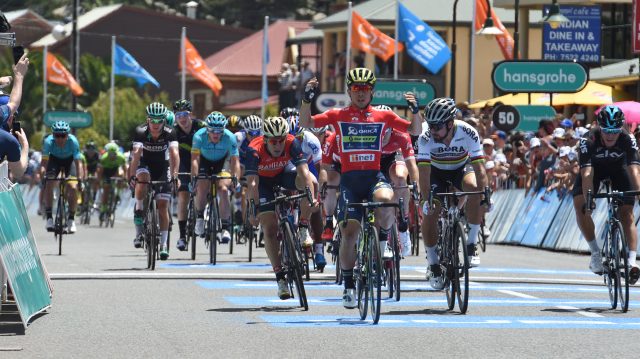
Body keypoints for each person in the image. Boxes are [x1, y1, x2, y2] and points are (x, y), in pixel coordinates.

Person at [299, 68, 421, 308]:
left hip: (374, 176)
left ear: (372, 92)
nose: (361, 93)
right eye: (357, 89)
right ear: (349, 91)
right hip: (350, 181)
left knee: (387, 200)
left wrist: (416, 112)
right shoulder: (338, 114)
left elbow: (414, 130)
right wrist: (306, 101)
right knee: (350, 233)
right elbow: (307, 122)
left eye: (366, 89)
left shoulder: (383, 116)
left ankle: (383, 244)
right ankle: (348, 285)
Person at [416, 98, 489, 290]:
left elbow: (479, 168)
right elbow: (423, 173)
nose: (433, 131)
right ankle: (433, 264)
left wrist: (485, 194)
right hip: (435, 172)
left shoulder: (468, 132)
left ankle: (472, 244)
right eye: (430, 126)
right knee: (431, 211)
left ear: (450, 123)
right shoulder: (425, 137)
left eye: (437, 127)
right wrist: (426, 200)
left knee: (474, 188)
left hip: (460, 168)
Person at [245, 116, 318, 300]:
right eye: (273, 141)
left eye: (281, 140)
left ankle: (302, 227)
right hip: (263, 183)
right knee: (269, 229)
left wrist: (311, 198)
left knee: (310, 182)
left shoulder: (292, 143)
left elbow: (304, 172)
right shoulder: (254, 149)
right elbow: (252, 184)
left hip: (283, 174)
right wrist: (253, 210)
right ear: (266, 139)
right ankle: (280, 278)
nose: (278, 145)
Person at [573, 105, 640, 283]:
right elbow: (587, 174)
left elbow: (634, 170)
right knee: (581, 206)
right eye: (606, 131)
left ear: (621, 128)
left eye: (615, 131)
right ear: (599, 127)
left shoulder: (628, 138)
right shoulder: (588, 140)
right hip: (594, 171)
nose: (610, 135)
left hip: (619, 170)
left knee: (627, 214)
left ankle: (632, 262)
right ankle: (595, 253)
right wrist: (588, 199)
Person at [129, 102, 179, 260]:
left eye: (159, 121)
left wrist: (175, 175)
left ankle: (163, 244)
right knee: (142, 180)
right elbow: (136, 155)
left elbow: (174, 154)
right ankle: (139, 209)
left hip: (162, 167)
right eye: (153, 120)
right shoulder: (140, 131)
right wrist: (131, 175)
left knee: (163, 206)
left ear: (164, 120)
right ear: (147, 119)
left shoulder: (170, 132)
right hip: (145, 164)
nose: (156, 124)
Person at [191, 111, 241, 244]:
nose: (215, 134)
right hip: (204, 162)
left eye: (219, 131)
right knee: (202, 185)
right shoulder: (198, 136)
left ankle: (225, 227)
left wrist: (235, 178)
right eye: (212, 130)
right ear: (207, 129)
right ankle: (200, 217)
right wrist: (194, 177)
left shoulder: (230, 137)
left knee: (224, 190)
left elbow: (235, 161)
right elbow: (195, 160)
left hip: (222, 162)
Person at [286, 114, 325, 269]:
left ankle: (319, 249)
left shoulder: (311, 140)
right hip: (289, 168)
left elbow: (321, 167)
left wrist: (321, 190)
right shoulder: (283, 142)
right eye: (292, 137)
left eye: (299, 137)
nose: (296, 141)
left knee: (314, 204)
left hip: (308, 168)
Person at [172, 99, 205, 251]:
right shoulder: (173, 131)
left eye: (184, 114)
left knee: (201, 187)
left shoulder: (201, 126)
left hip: (201, 160)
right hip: (183, 163)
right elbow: (171, 155)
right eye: (178, 115)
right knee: (183, 195)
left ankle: (201, 216)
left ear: (190, 115)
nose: (182, 118)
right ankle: (182, 236)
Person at [41, 121, 84, 233]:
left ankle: (71, 219)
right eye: (57, 136)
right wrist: (43, 176)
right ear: (53, 135)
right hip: (54, 161)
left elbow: (78, 163)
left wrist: (80, 180)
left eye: (63, 136)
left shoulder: (73, 141)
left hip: (69, 162)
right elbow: (44, 163)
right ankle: (49, 218)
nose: (60, 139)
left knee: (73, 187)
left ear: (67, 135)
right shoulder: (48, 142)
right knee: (49, 183)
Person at [97, 142, 127, 220]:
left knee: (121, 177)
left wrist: (126, 178)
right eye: (111, 154)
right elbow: (100, 171)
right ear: (108, 153)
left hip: (115, 171)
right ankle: (103, 209)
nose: (112, 156)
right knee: (106, 189)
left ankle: (118, 194)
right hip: (106, 172)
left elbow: (124, 169)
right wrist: (99, 181)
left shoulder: (121, 157)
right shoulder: (104, 158)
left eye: (114, 154)